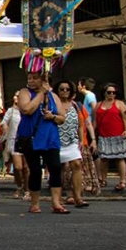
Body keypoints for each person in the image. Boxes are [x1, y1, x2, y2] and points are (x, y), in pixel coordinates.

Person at [17, 71, 68, 214]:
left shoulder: (54, 96)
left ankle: (56, 202)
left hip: (50, 137)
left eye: (35, 78)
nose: (31, 81)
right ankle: (34, 203)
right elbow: (27, 109)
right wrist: (40, 94)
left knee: (55, 167)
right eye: (29, 78)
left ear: (43, 80)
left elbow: (62, 117)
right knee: (35, 170)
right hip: (31, 136)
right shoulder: (25, 92)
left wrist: (53, 117)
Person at [55, 80, 89, 208]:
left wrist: (81, 140)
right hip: (57, 141)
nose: (64, 91)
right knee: (58, 168)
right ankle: (58, 197)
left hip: (72, 141)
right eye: (61, 89)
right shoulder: (53, 105)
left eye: (67, 89)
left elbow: (80, 125)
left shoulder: (75, 105)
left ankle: (78, 197)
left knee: (76, 165)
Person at [94, 83, 126, 191]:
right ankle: (103, 179)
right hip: (103, 135)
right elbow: (95, 120)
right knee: (104, 159)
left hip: (118, 135)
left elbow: (125, 118)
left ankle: (123, 181)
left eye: (114, 92)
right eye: (109, 92)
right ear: (104, 93)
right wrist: (92, 133)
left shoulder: (119, 104)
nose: (111, 94)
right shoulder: (98, 105)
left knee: (119, 158)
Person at [0, 92, 28, 199]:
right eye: (15, 95)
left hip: (26, 140)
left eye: (18, 95)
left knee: (26, 167)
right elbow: (4, 121)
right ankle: (19, 186)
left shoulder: (27, 110)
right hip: (14, 141)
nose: (16, 97)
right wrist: (5, 126)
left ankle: (27, 189)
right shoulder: (10, 111)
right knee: (18, 167)